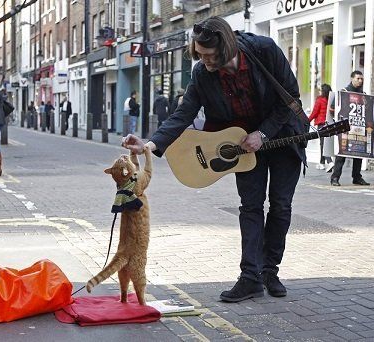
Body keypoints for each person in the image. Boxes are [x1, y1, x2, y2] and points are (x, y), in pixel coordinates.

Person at [122, 16, 307, 303]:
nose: (204, 61)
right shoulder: (202, 73)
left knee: (281, 205)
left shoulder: (264, 51)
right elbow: (183, 114)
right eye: (199, 54)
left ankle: (270, 270)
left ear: (226, 47)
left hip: (283, 136)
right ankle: (250, 277)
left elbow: (291, 98)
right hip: (242, 146)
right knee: (250, 207)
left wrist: (263, 133)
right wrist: (149, 144)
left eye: (209, 55)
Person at [330, 71, 370, 186]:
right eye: (358, 78)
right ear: (352, 78)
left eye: (362, 79)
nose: (360, 81)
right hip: (345, 129)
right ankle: (335, 178)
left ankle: (357, 177)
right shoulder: (343, 93)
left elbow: (367, 112)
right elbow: (332, 109)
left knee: (359, 154)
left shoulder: (364, 95)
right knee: (341, 154)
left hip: (359, 129)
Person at [308, 84, 334, 171]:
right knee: (324, 143)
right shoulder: (331, 100)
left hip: (321, 124)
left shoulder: (320, 100)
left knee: (323, 144)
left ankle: (330, 162)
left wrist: (307, 121)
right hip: (330, 124)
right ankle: (322, 163)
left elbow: (315, 112)